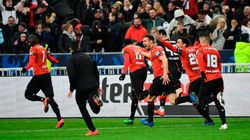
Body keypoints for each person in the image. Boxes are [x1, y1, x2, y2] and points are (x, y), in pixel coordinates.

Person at [137, 35, 197, 127]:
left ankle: (150, 121)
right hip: (168, 78)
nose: (143, 43)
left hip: (160, 78)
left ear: (151, 41)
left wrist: (165, 73)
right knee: (173, 101)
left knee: (150, 98)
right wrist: (140, 51)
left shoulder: (156, 49)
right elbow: (150, 56)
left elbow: (164, 59)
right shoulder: (155, 50)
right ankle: (189, 98)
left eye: (145, 41)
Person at [155, 33, 209, 124]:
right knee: (201, 100)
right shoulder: (195, 49)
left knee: (191, 99)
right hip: (202, 78)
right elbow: (201, 45)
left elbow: (172, 48)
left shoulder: (184, 51)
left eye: (179, 43)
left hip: (194, 80)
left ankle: (209, 106)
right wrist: (201, 41)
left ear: (184, 44)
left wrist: (162, 41)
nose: (177, 44)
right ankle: (207, 118)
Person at [21, 33, 64, 128]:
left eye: (30, 39)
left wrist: (26, 69)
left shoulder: (33, 49)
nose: (28, 41)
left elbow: (31, 61)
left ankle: (43, 100)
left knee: (28, 95)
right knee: (51, 98)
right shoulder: (42, 48)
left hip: (38, 77)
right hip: (46, 76)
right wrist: (57, 62)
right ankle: (60, 119)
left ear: (34, 40)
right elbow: (50, 58)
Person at [66, 40, 103, 136]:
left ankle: (93, 130)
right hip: (93, 84)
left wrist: (71, 89)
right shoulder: (87, 56)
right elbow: (95, 71)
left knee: (82, 108)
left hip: (81, 87)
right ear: (78, 46)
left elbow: (72, 76)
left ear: (70, 48)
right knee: (96, 111)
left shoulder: (71, 59)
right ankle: (96, 101)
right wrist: (98, 85)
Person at [196, 35, 227, 130]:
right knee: (219, 103)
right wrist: (217, 72)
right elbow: (219, 63)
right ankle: (224, 123)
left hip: (208, 78)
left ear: (203, 41)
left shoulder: (201, 51)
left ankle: (213, 97)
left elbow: (201, 64)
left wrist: (203, 74)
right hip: (218, 78)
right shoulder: (215, 50)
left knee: (200, 100)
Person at [154, 30, 183, 117]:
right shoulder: (175, 42)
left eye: (157, 35)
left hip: (169, 70)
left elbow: (159, 57)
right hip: (178, 69)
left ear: (161, 35)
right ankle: (161, 109)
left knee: (177, 92)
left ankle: (190, 98)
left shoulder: (160, 45)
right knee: (164, 87)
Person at [119, 40, 148, 125]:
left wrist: (123, 73)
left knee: (138, 95)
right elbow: (150, 56)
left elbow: (127, 61)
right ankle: (131, 118)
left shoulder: (126, 49)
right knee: (134, 96)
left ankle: (156, 91)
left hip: (135, 72)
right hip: (143, 71)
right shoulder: (140, 48)